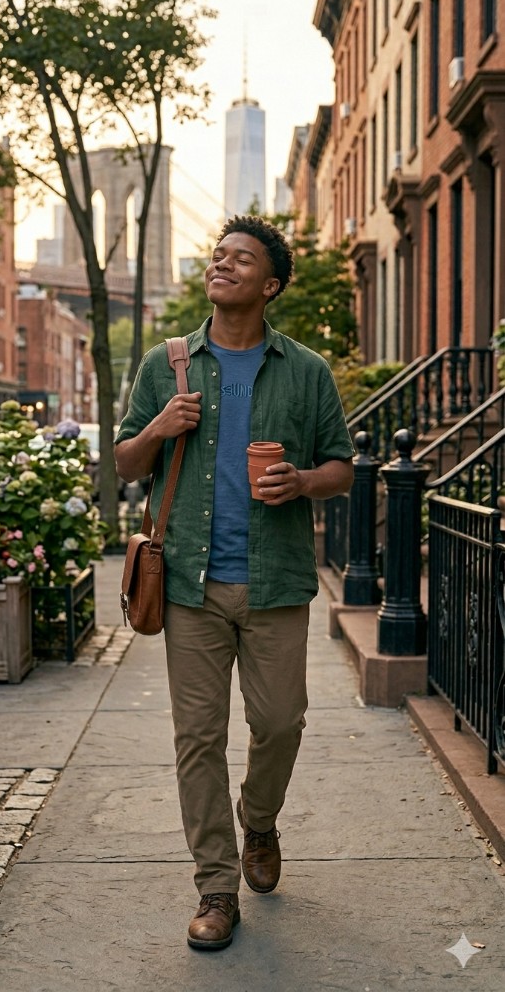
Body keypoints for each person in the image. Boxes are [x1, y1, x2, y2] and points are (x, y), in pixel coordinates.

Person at [114, 215, 354, 951]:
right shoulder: (168, 363)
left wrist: (302, 481)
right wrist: (158, 427)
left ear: (269, 284)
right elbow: (125, 463)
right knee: (197, 737)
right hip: (187, 582)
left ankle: (259, 820)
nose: (221, 265)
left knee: (280, 722)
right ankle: (216, 887)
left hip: (275, 581)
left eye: (240, 259)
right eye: (217, 255)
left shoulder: (305, 370)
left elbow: (341, 468)